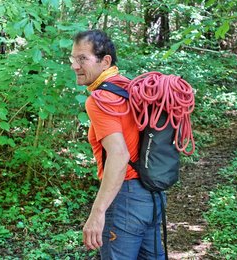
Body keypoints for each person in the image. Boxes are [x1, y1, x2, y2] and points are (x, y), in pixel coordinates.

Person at [70, 29, 166, 259]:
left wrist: (98, 211)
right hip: (152, 195)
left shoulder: (100, 100)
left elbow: (119, 155)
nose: (75, 65)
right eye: (73, 58)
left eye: (83, 58)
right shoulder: (131, 89)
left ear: (105, 61)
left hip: (126, 199)